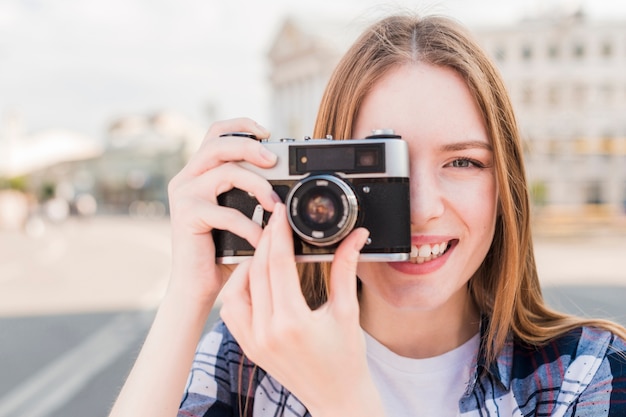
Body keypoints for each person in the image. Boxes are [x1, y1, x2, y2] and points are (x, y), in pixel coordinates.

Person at [109, 13, 626, 417]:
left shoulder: (584, 374)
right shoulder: (251, 356)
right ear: (318, 184)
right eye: (384, 168)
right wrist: (188, 293)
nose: (422, 207)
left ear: (504, 186)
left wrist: (343, 402)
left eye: (463, 162)